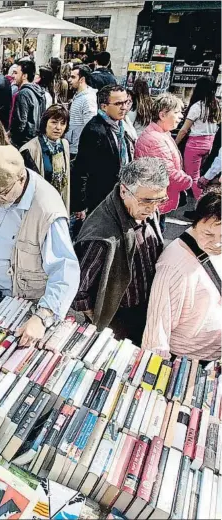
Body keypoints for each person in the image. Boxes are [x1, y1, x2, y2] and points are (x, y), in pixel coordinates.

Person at [0, 145, 80, 346]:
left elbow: (65, 271)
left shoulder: (47, 210)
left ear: (20, 179)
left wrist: (42, 317)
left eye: (0, 195)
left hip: (23, 304)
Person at [73, 157, 168, 343]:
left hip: (147, 308)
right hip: (118, 319)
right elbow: (79, 291)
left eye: (160, 200)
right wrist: (102, 323)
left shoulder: (147, 210)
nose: (153, 208)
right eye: (146, 201)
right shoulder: (101, 235)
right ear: (124, 191)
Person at [142, 187, 221, 361]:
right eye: (208, 234)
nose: (217, 244)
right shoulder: (173, 266)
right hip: (191, 360)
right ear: (194, 222)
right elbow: (157, 332)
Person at [71, 84, 134, 220]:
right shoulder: (95, 130)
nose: (124, 107)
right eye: (118, 103)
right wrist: (80, 205)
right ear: (104, 106)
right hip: (99, 199)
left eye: (126, 102)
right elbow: (81, 169)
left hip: (119, 194)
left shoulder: (121, 125)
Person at [134, 93, 191, 228]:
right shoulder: (155, 139)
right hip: (155, 200)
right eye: (176, 112)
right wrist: (188, 181)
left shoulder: (160, 134)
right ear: (162, 115)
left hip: (157, 199)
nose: (181, 116)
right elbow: (168, 173)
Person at [175, 76, 221, 200]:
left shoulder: (197, 106)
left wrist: (175, 143)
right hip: (209, 143)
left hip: (195, 144)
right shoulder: (216, 105)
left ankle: (201, 206)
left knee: (193, 177)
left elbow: (184, 130)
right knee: (201, 175)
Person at [19, 104, 72, 211]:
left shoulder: (64, 144)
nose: (58, 127)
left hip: (58, 204)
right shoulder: (29, 149)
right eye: (54, 122)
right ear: (45, 123)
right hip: (39, 207)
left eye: (62, 123)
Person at [10, 60, 46, 148]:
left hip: (23, 143)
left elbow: (20, 123)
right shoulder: (39, 92)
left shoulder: (23, 93)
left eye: (16, 73)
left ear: (24, 76)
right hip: (35, 141)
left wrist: (12, 138)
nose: (13, 76)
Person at [66, 65, 97, 159]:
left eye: (73, 77)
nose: (69, 80)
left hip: (77, 150)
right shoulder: (79, 95)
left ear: (82, 79)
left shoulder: (88, 99)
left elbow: (90, 127)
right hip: (73, 146)